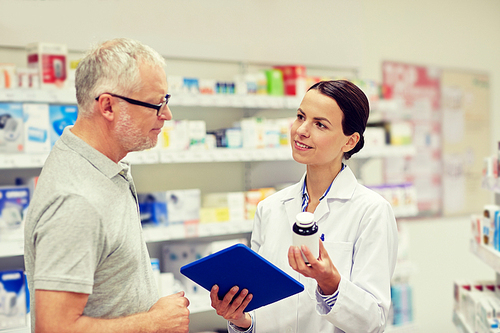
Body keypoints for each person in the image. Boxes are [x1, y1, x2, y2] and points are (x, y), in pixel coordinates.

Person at [24, 38, 190, 333]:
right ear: (108, 106)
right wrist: (154, 323)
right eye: (155, 104)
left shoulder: (103, 165)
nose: (166, 115)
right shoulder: (77, 201)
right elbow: (54, 328)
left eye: (166, 101)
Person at [210, 80, 398, 333]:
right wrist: (240, 320)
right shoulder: (270, 208)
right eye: (301, 117)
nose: (301, 130)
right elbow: (260, 312)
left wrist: (331, 283)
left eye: (320, 124)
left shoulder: (371, 211)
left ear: (350, 142)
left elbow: (373, 321)